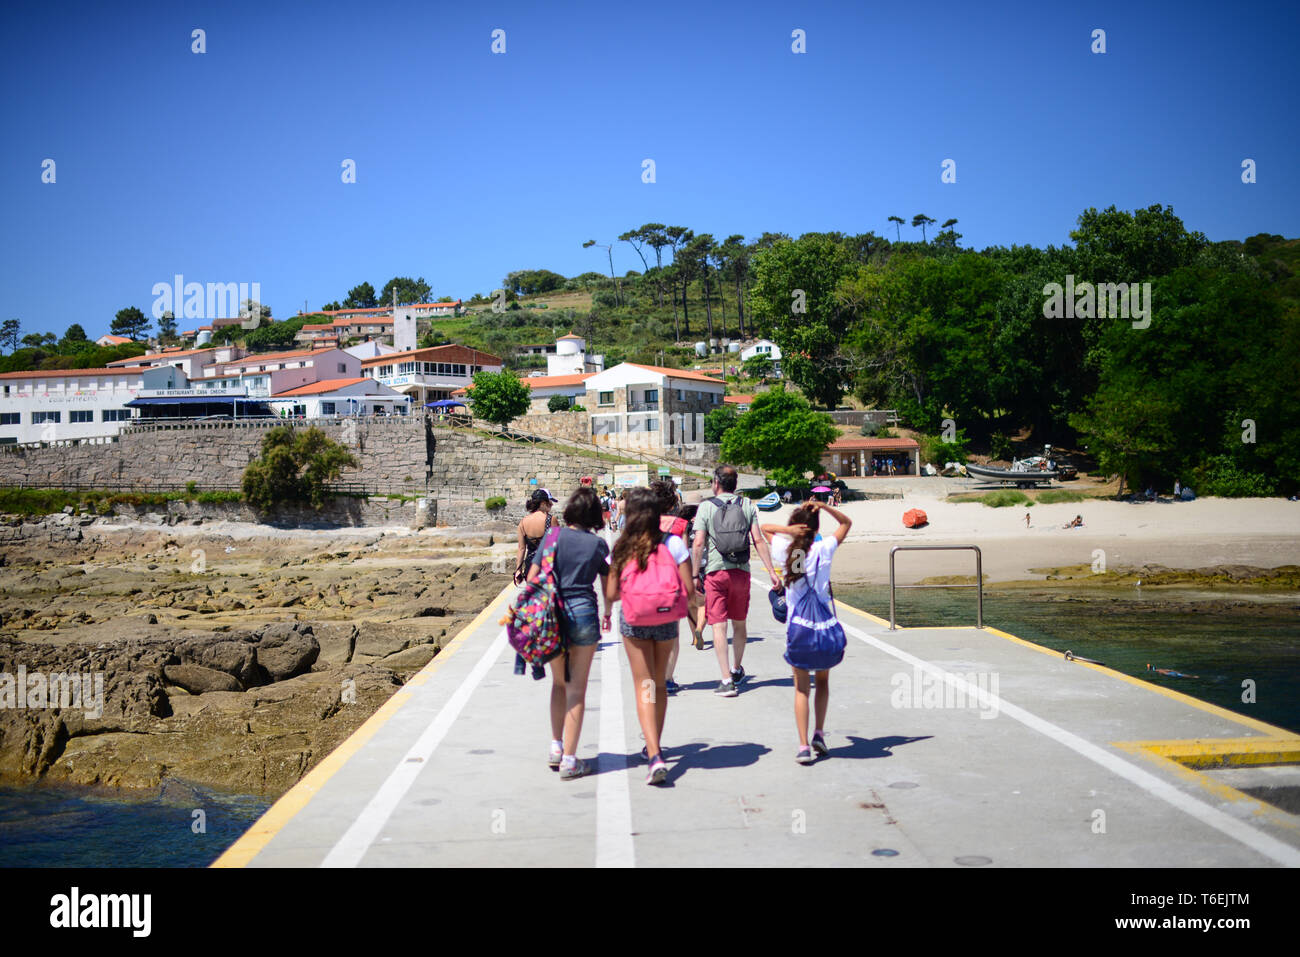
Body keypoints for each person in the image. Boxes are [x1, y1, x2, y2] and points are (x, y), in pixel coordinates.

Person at [606, 487, 694, 785]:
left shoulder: (622, 547)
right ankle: (654, 744)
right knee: (659, 683)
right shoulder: (673, 544)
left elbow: (611, 593)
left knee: (643, 685)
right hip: (666, 618)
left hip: (635, 620)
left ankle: (654, 753)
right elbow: (689, 591)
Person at [525, 486, 611, 781]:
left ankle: (556, 747)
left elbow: (532, 578)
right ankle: (571, 761)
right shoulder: (598, 545)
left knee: (559, 684)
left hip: (553, 617)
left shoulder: (552, 538)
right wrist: (609, 611)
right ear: (594, 515)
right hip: (584, 614)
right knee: (577, 690)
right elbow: (611, 588)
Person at [764, 500, 851, 763]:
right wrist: (823, 506)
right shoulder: (824, 548)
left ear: (795, 527)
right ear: (816, 529)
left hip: (797, 628)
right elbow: (847, 523)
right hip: (822, 626)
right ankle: (819, 733)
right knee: (822, 682)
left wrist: (789, 531)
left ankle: (802, 746)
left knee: (801, 689)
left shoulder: (785, 548)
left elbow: (763, 528)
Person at [693, 465, 781, 697]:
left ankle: (725, 680)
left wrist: (694, 575)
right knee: (739, 623)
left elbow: (698, 543)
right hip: (741, 572)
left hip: (715, 573)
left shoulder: (705, 507)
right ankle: (736, 669)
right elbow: (759, 540)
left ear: (715, 483)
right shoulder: (746, 505)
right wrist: (772, 571)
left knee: (719, 626)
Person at [512, 489, 558, 678]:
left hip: (531, 566)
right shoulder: (551, 520)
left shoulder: (523, 523)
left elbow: (521, 549)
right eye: (549, 502)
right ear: (543, 503)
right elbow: (556, 545)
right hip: (548, 566)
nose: (552, 505)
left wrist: (517, 571)